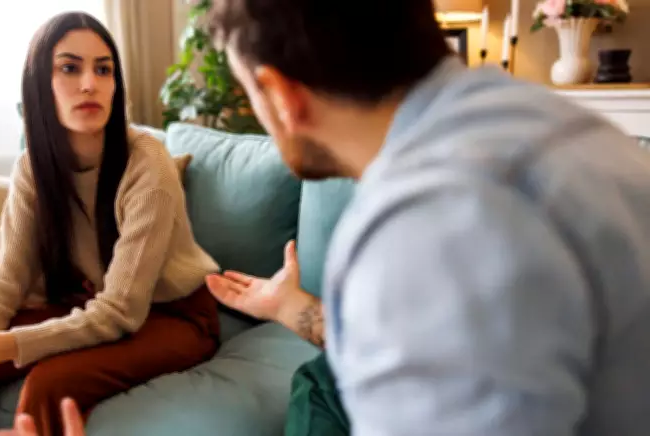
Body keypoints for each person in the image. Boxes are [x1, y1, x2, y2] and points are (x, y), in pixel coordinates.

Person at [203, 1, 650, 435]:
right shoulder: (562, 125)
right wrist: (288, 306)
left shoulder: (427, 226)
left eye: (250, 94)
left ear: (281, 96)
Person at [0, 11, 221, 436]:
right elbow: (0, 282)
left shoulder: (147, 164)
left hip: (174, 317)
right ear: (38, 84)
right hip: (91, 302)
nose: (89, 83)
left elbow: (122, 310)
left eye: (103, 70)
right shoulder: (32, 167)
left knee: (50, 386)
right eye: (70, 68)